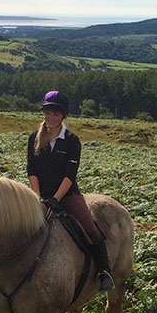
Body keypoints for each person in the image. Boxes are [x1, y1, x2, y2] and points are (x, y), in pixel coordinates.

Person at [27, 90, 114, 291]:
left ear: (63, 116)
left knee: (91, 229)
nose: (50, 117)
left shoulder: (71, 140)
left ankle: (104, 271)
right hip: (38, 193)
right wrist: (36, 197)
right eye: (47, 113)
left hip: (66, 195)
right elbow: (32, 169)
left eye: (55, 114)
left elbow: (70, 174)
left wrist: (56, 199)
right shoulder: (34, 137)